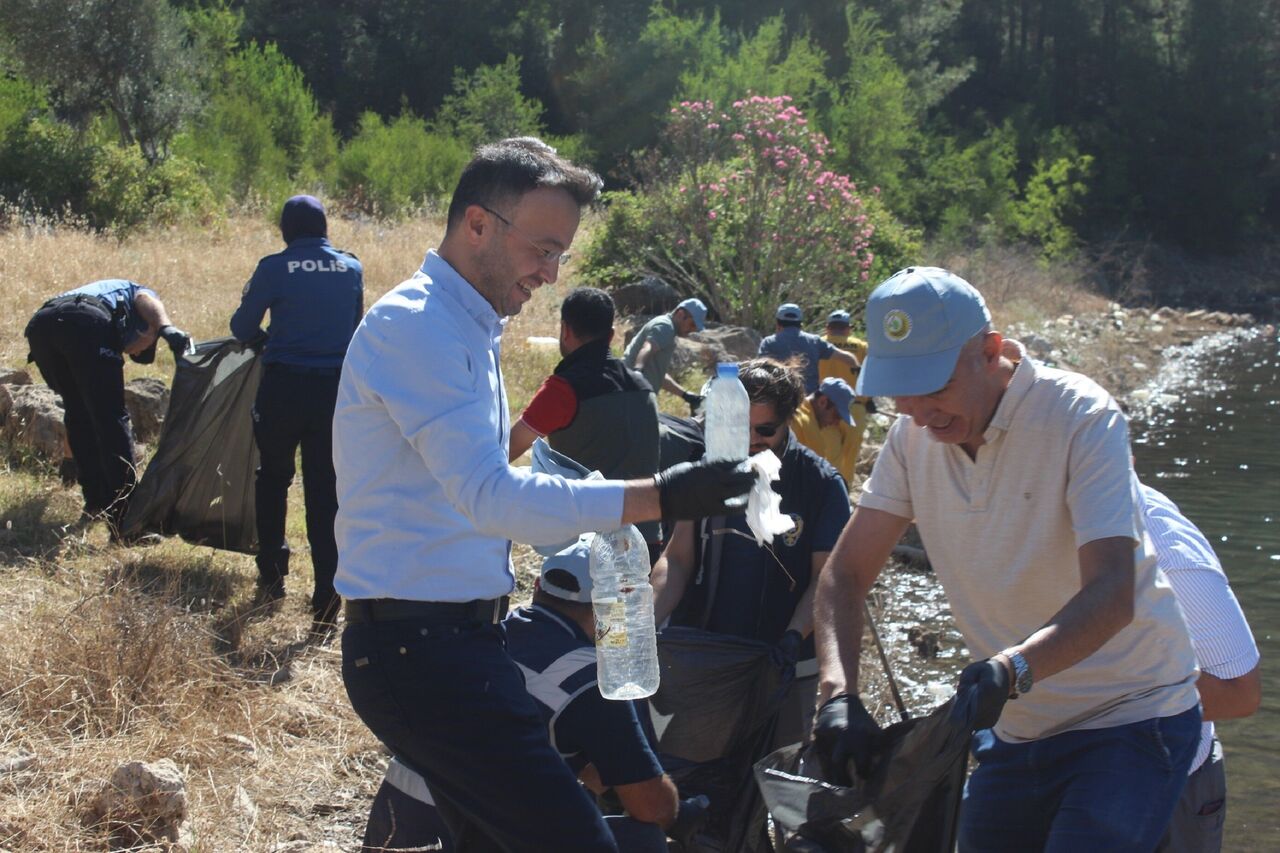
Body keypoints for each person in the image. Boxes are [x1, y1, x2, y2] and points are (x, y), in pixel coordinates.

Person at [332, 138, 753, 852]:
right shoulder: (420, 327)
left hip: (452, 643)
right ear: (477, 225)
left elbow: (498, 489)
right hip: (419, 654)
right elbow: (491, 496)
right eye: (543, 247)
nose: (552, 273)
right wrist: (660, 495)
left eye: (562, 254)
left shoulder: (465, 328)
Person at [810, 266, 1202, 852]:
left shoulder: (1081, 417)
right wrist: (838, 695)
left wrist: (1012, 667)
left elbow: (1113, 592)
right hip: (1013, 732)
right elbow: (844, 576)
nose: (918, 410)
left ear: (990, 352)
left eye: (934, 386)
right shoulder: (910, 439)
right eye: (901, 389)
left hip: (1131, 720)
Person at [362, 536, 704, 852]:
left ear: (538, 586)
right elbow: (651, 806)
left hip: (391, 828)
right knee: (642, 840)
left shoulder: (479, 637)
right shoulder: (591, 679)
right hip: (461, 837)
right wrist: (682, 815)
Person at [653, 357, 851, 749]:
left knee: (775, 772)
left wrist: (794, 637)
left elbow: (826, 580)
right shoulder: (707, 471)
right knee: (697, 765)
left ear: (789, 421)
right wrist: (645, 621)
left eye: (765, 430)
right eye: (738, 428)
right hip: (707, 655)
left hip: (789, 663)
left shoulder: (821, 484)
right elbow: (677, 561)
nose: (751, 442)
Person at [230, 195, 364, 628]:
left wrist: (275, 333)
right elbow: (354, 326)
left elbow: (241, 328)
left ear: (286, 230)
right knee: (325, 491)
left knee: (272, 477)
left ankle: (271, 574)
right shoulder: (351, 268)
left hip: (283, 388)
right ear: (325, 227)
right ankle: (327, 596)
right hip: (334, 393)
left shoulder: (274, 267)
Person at [1140, 483, 1261, 853]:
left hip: (1169, 788)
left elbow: (1239, 693)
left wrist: (1088, 689)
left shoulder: (1162, 545)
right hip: (1046, 769)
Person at [24, 279, 190, 536]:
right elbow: (145, 298)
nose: (129, 351)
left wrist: (70, 457)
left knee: (79, 410)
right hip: (84, 321)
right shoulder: (135, 293)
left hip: (41, 327)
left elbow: (78, 414)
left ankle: (97, 501)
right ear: (145, 330)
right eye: (140, 347)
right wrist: (165, 327)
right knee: (112, 417)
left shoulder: (98, 298)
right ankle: (128, 522)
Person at [508, 287, 663, 560]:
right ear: (612, 335)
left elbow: (507, 449)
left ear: (565, 330)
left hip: (588, 548)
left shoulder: (565, 390)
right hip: (647, 543)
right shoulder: (644, 388)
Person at [623, 297, 707, 410]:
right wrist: (638, 372)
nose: (692, 330)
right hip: (630, 395)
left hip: (632, 393)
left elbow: (657, 374)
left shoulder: (668, 329)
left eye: (696, 328)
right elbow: (647, 348)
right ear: (680, 314)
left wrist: (685, 395)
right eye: (692, 324)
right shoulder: (665, 327)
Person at [757, 303, 860, 394]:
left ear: (778, 324)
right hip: (808, 402)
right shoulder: (814, 341)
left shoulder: (768, 342)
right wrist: (856, 368)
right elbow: (847, 357)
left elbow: (760, 369)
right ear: (800, 324)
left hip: (781, 400)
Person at [818, 308, 874, 449]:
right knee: (849, 459)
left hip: (823, 410)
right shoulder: (861, 347)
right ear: (849, 329)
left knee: (827, 459)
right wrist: (869, 401)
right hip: (855, 409)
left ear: (827, 328)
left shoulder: (816, 344)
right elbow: (870, 376)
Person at [789, 377, 860, 485]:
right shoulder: (802, 423)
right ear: (822, 402)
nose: (836, 423)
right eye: (836, 416)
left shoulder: (802, 416)